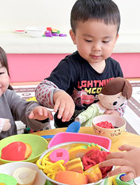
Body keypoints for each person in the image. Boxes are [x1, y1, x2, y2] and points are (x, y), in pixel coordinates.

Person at [35, 0, 124, 128]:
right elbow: (41, 89)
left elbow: (121, 98)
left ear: (115, 39)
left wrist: (117, 112)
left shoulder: (115, 68)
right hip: (71, 128)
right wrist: (57, 95)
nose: (97, 48)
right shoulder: (69, 66)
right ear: (73, 37)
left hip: (102, 127)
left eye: (105, 41)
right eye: (88, 40)